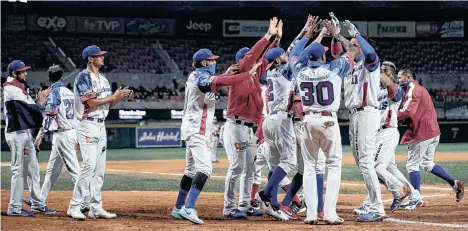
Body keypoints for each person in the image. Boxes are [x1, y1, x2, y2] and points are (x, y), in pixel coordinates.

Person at [171, 48, 263, 224]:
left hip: (196, 129)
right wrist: (245, 75)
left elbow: (215, 83)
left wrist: (226, 74)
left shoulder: (199, 76)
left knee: (190, 171)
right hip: (197, 129)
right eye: (212, 60)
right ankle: (188, 208)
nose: (214, 62)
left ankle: (178, 207)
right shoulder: (199, 76)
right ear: (204, 63)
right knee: (205, 169)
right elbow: (209, 84)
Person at [222, 17, 281, 220]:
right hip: (236, 125)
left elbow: (270, 57)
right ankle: (229, 207)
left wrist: (276, 40)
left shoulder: (255, 76)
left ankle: (245, 204)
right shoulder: (239, 73)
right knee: (237, 166)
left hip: (249, 128)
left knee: (250, 168)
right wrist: (267, 36)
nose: (257, 63)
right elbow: (256, 55)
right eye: (252, 60)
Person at [67, 45, 132, 219]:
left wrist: (118, 98)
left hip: (101, 125)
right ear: (90, 59)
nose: (103, 57)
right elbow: (90, 103)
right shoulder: (83, 77)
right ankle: (75, 206)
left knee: (99, 169)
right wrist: (114, 97)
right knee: (89, 166)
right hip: (87, 124)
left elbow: (107, 103)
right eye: (99, 56)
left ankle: (96, 206)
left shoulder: (103, 79)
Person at [332, 17, 386, 222]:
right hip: (355, 115)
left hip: (366, 113)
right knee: (361, 161)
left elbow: (369, 53)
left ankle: (378, 208)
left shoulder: (370, 63)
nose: (350, 47)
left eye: (354, 46)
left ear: (361, 47)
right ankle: (373, 202)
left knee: (365, 161)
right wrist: (337, 35)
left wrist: (356, 35)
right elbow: (338, 51)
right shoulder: (350, 64)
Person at [23, 64, 89, 214]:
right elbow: (78, 115)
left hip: (63, 135)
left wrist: (40, 136)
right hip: (69, 132)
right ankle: (38, 201)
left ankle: (85, 200)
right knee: (52, 171)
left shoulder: (54, 92)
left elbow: (50, 115)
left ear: (49, 78)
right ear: (61, 76)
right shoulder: (69, 92)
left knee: (74, 170)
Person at [397, 69, 464, 208]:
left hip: (422, 132)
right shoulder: (419, 88)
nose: (398, 80)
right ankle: (454, 183)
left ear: (408, 77)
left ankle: (416, 198)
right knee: (427, 163)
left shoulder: (413, 88)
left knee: (412, 165)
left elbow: (408, 111)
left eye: (400, 77)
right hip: (433, 131)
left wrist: (389, 117)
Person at [3, 60, 55, 216]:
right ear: (14, 73)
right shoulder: (11, 89)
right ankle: (14, 207)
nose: (25, 73)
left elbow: (32, 106)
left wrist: (39, 103)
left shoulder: (19, 88)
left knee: (33, 169)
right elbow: (32, 109)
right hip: (16, 133)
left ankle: (38, 203)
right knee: (18, 171)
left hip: (24, 133)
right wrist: (41, 104)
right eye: (22, 71)